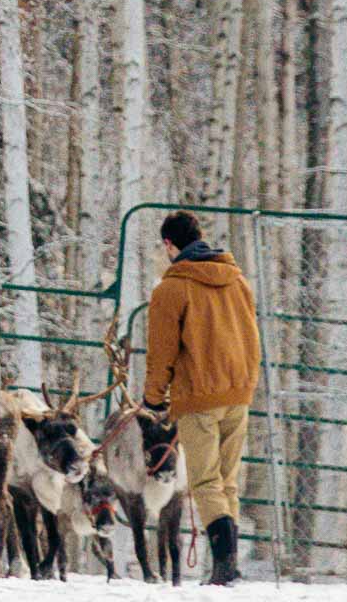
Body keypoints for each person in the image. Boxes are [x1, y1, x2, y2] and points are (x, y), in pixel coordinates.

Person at [143, 210, 261, 586]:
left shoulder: (171, 289)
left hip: (198, 396)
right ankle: (227, 564)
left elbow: (161, 351)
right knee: (227, 480)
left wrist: (153, 398)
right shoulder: (237, 281)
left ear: (169, 244)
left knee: (206, 480)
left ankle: (225, 567)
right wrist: (247, 382)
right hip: (238, 391)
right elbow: (252, 336)